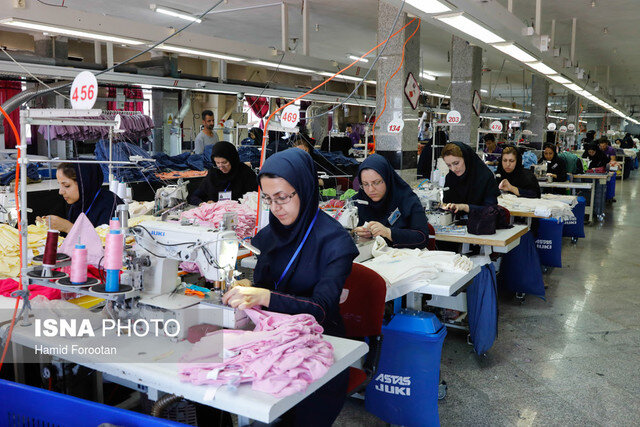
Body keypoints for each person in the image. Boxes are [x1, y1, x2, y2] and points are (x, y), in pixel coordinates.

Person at [222, 148, 358, 426]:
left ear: (305, 189)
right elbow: (259, 283)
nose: (276, 208)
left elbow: (321, 309)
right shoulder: (266, 237)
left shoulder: (335, 243)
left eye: (283, 198)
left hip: (319, 349)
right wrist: (247, 284)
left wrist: (265, 296)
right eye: (269, 199)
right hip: (268, 341)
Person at [353, 154, 430, 249]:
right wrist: (355, 232)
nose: (370, 189)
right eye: (365, 184)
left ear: (387, 178)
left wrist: (388, 232)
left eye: (376, 183)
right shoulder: (358, 201)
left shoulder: (408, 200)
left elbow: (422, 237)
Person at [37, 163, 123, 233]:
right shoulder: (78, 203)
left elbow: (104, 244)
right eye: (59, 184)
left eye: (66, 186)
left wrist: (68, 227)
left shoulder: (111, 205)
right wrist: (50, 226)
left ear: (84, 184)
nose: (61, 192)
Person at [188, 141, 258, 205]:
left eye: (224, 162)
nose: (221, 167)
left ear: (232, 159)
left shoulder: (246, 173)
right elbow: (194, 196)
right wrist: (202, 204)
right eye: (217, 163)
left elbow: (255, 198)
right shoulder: (213, 173)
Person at [441, 141, 500, 215]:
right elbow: (446, 203)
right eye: (449, 165)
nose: (453, 169)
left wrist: (465, 207)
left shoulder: (485, 177)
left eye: (456, 163)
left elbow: (491, 210)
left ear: (466, 158)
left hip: (482, 223)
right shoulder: (450, 178)